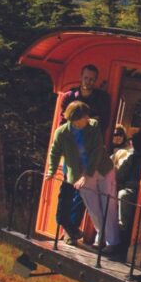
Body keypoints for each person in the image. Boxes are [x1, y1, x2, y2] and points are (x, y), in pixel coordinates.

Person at [46, 101, 121, 254]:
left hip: (102, 170)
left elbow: (97, 151)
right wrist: (51, 170)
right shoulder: (62, 133)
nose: (87, 120)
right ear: (74, 118)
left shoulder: (93, 127)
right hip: (80, 175)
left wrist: (87, 175)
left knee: (108, 204)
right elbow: (55, 152)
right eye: (83, 118)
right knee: (93, 208)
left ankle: (112, 242)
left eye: (87, 117)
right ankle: (101, 237)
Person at [56, 64, 112, 240]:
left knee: (82, 191)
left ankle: (71, 231)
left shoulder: (102, 99)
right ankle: (66, 225)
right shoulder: (69, 97)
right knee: (67, 188)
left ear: (95, 80)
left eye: (92, 79)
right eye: (86, 78)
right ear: (81, 77)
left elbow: (103, 125)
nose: (88, 82)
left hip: (89, 153)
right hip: (72, 152)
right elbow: (62, 123)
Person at [116, 131, 141, 249]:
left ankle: (122, 235)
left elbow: (120, 174)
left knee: (123, 195)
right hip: (135, 189)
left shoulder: (135, 158)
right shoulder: (134, 157)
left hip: (134, 190)